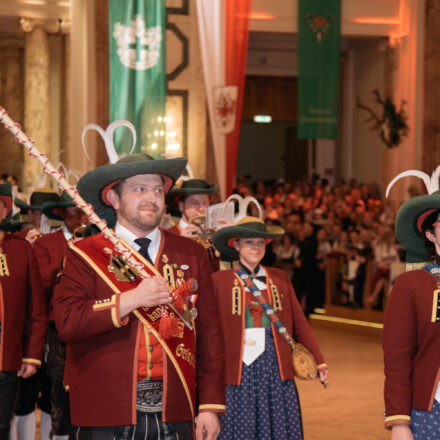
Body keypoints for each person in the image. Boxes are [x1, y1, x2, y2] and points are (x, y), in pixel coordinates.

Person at [52, 154, 225, 440]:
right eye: (139, 189)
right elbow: (67, 322)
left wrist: (209, 405)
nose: (152, 198)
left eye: (158, 190)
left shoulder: (190, 253)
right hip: (105, 411)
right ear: (113, 198)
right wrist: (131, 300)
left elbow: (210, 335)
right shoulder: (84, 254)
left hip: (175, 408)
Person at [211, 216, 328, 439]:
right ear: (236, 245)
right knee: (240, 425)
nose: (255, 247)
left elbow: (300, 323)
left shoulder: (280, 278)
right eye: (248, 242)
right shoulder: (220, 281)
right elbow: (211, 331)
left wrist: (319, 359)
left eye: (259, 242)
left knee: (277, 425)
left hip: (275, 364)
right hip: (238, 368)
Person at [383, 177, 440, 439]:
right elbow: (397, 359)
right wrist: (399, 423)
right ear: (430, 234)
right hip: (432, 412)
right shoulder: (411, 285)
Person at [32, 192, 89, 440]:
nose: (81, 217)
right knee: (59, 388)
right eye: (75, 211)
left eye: (84, 211)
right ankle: (60, 434)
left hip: (90, 322)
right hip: (58, 326)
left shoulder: (97, 239)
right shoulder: (47, 244)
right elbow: (40, 283)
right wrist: (66, 265)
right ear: (62, 213)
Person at [0, 181, 46, 440]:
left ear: (5, 211)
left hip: (6, 354)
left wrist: (32, 355)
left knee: (2, 425)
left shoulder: (20, 249)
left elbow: (36, 309)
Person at [166, 179, 228, 272]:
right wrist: (179, 246)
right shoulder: (167, 236)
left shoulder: (214, 234)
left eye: (205, 203)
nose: (201, 208)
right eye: (194, 203)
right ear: (181, 206)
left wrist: (228, 240)